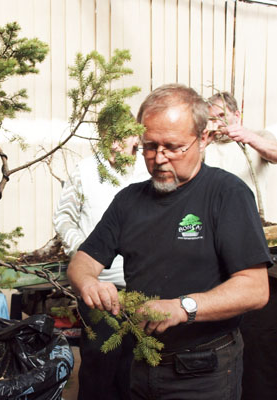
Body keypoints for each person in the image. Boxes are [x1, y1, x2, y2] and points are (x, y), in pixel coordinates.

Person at [67, 83, 271, 399]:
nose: (159, 158)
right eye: (150, 146)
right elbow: (83, 261)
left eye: (173, 147)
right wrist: (88, 283)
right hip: (140, 362)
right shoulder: (128, 201)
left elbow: (255, 289)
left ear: (203, 138)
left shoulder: (227, 195)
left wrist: (183, 307)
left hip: (203, 370)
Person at [53, 134, 149, 400]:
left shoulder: (149, 169)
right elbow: (63, 218)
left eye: (121, 137)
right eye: (109, 138)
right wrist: (86, 251)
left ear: (135, 136)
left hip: (142, 289)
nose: (114, 145)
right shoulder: (85, 170)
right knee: (99, 367)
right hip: (98, 288)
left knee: (135, 369)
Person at [206, 91, 277, 219]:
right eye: (212, 119)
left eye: (222, 116)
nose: (218, 123)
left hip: (251, 220)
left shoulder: (258, 136)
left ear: (237, 116)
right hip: (216, 219)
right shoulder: (205, 145)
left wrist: (250, 138)